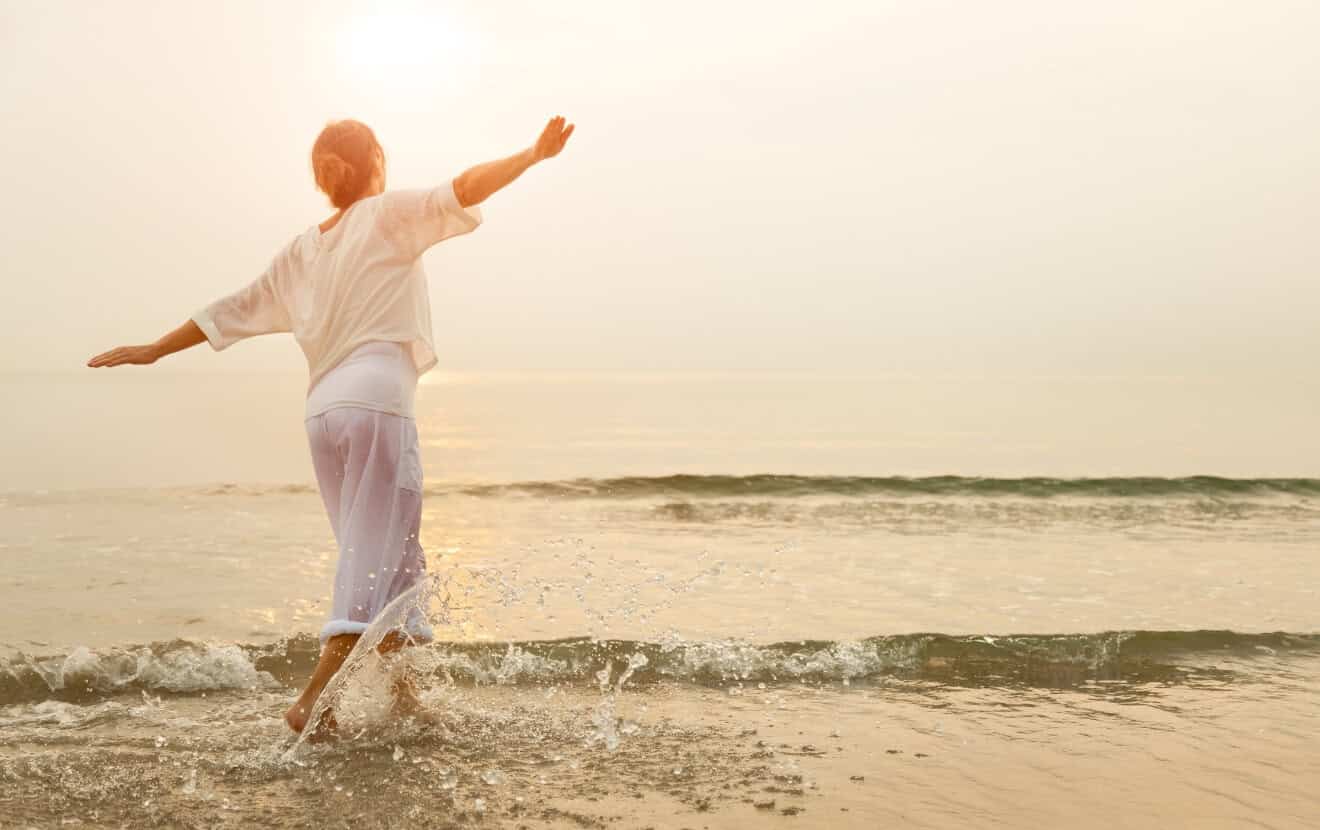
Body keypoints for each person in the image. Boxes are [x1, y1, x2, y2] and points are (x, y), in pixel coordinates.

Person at [87, 114, 575, 738]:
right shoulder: (386, 214)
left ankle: (402, 695)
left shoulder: (301, 250)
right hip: (375, 405)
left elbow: (231, 310)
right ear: (373, 158)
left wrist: (155, 348)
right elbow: (464, 187)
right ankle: (316, 700)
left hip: (323, 414)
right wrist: (531, 154)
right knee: (374, 557)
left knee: (386, 552)